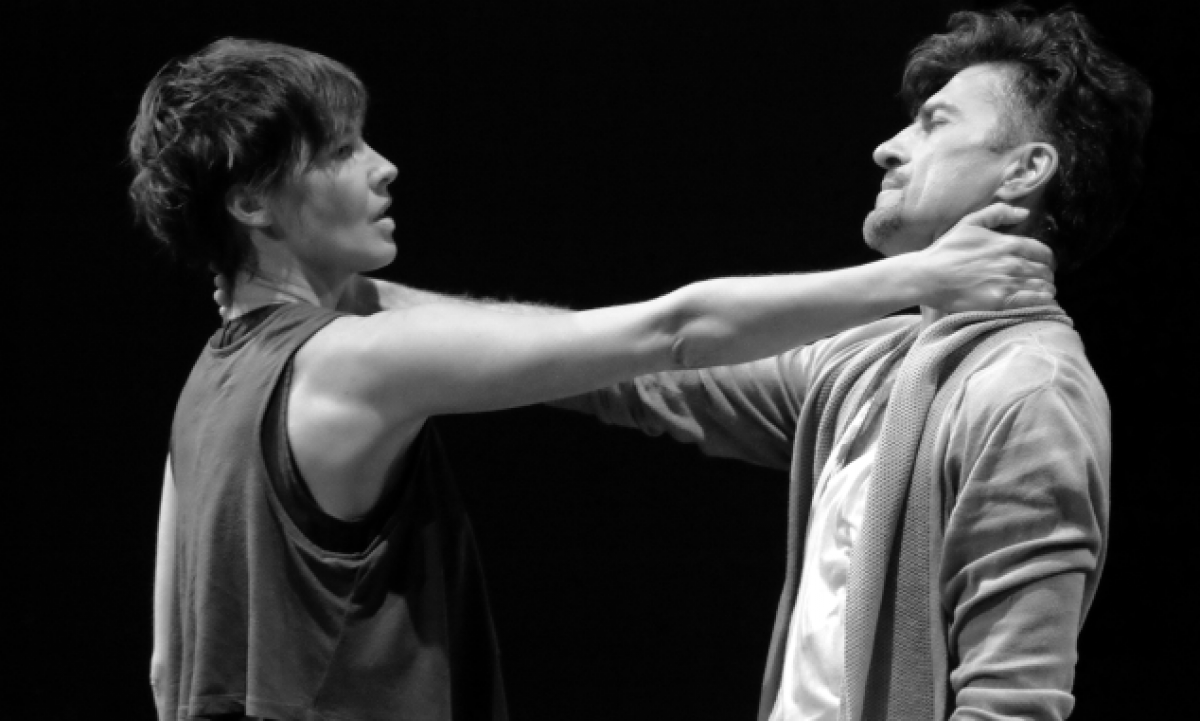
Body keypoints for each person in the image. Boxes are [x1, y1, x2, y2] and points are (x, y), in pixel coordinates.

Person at [260, 6, 1152, 721]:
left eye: (933, 123)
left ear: (1026, 169)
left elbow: (1013, 702)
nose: (889, 146)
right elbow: (629, 364)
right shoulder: (868, 362)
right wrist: (357, 302)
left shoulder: (1029, 389)